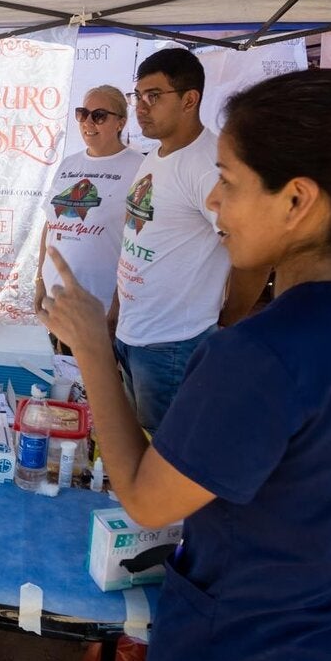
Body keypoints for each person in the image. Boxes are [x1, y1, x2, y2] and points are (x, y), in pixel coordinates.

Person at [39, 68, 331, 661]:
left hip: (254, 653)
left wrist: (93, 346)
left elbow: (148, 499)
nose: (213, 200)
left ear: (297, 201)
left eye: (228, 179)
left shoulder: (263, 355)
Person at [115, 48, 267, 430]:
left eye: (153, 96)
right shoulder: (156, 156)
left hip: (174, 344)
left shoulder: (207, 164)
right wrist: (117, 313)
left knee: (161, 461)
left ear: (189, 100)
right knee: (135, 448)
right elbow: (137, 237)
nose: (141, 107)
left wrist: (230, 317)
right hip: (135, 333)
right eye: (138, 97)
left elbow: (256, 252)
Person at [33, 85, 143, 345]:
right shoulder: (69, 164)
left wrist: (117, 307)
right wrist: (39, 280)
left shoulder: (139, 167)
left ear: (121, 123)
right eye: (83, 114)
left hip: (102, 308)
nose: (88, 122)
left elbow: (141, 241)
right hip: (58, 301)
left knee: (96, 383)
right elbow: (49, 225)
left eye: (99, 115)